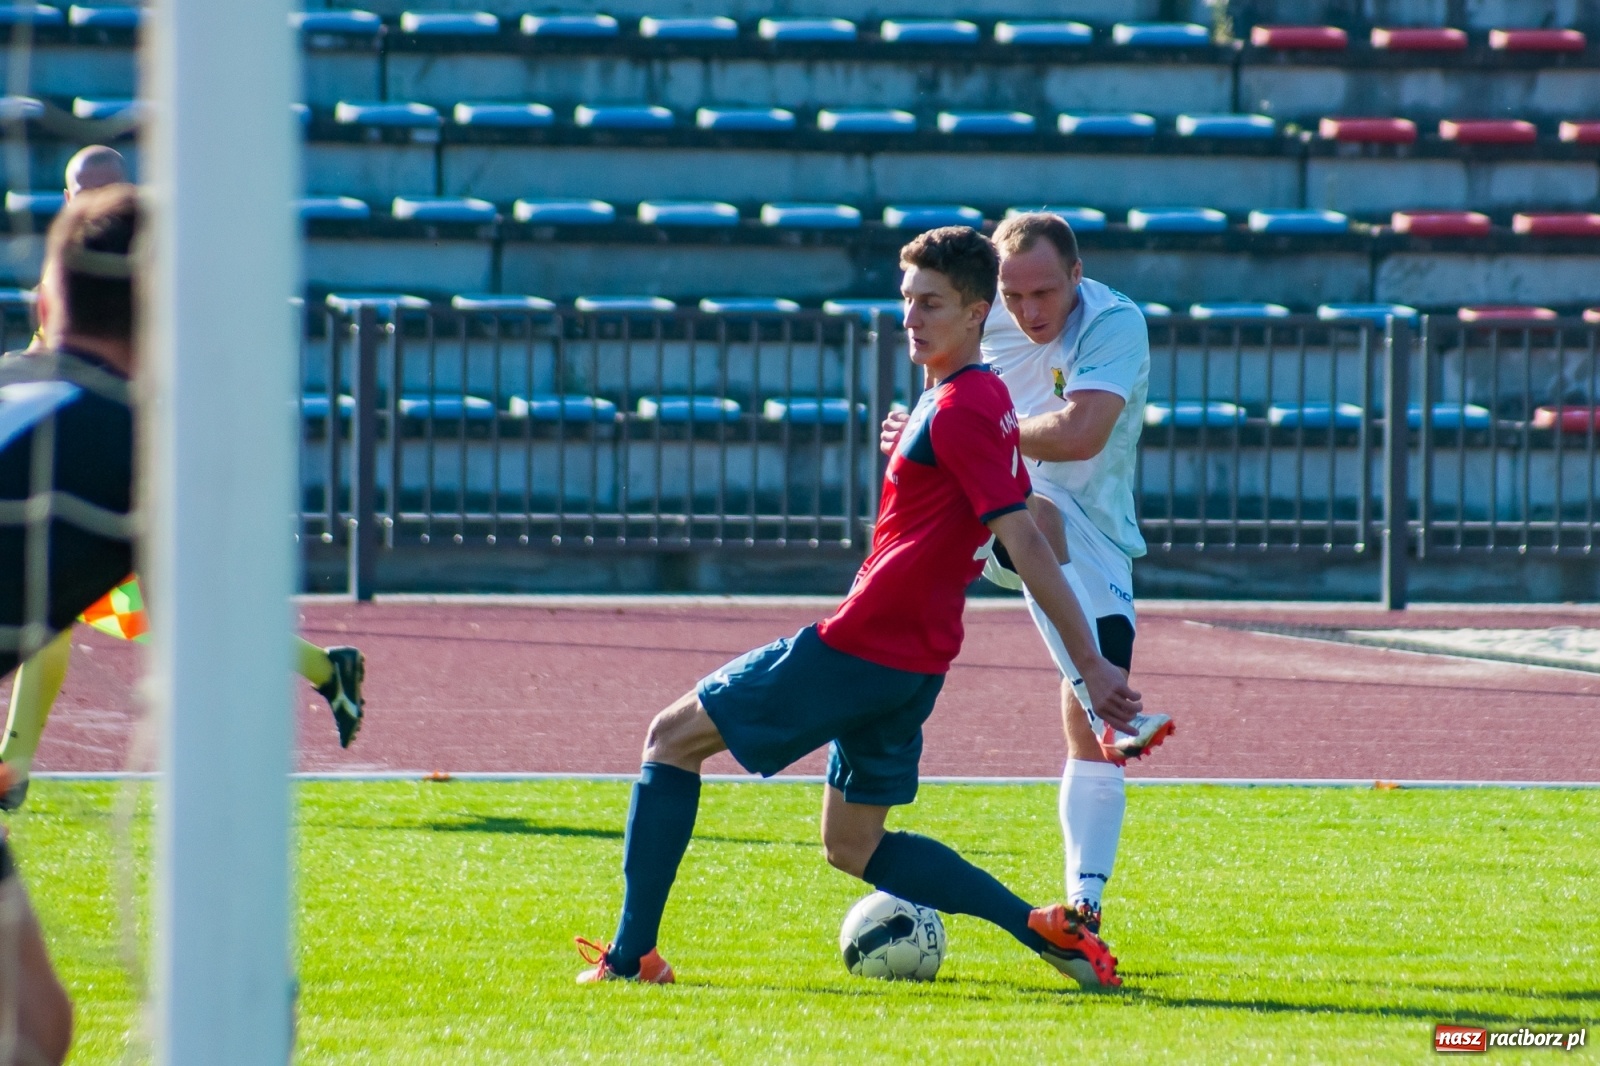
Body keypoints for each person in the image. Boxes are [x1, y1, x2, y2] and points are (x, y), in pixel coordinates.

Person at [574, 227, 1142, 989]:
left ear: (978, 314)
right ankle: (1047, 932)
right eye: (907, 300)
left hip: (867, 644)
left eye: (931, 303)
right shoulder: (970, 399)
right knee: (852, 846)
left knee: (669, 738)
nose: (911, 317)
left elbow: (1029, 545)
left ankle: (629, 957)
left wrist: (1092, 664)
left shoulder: (966, 406)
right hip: (912, 659)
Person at [0, 150, 365, 812]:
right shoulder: (77, 266)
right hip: (89, 474)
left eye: (102, 191)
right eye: (79, 191)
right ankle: (13, 769)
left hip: (132, 477)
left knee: (180, 624)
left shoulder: (148, 274)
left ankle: (318, 675)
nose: (87, 203)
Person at [886, 212, 1169, 935]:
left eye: (1045, 292)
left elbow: (1080, 436)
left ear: (1077, 275)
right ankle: (1108, 693)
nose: (1029, 312)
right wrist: (933, 432)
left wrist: (971, 430)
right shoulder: (983, 308)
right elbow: (939, 376)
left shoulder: (1115, 323)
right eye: (1014, 297)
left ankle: (1085, 904)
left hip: (1098, 522)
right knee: (1034, 522)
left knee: (1087, 727)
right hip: (999, 492)